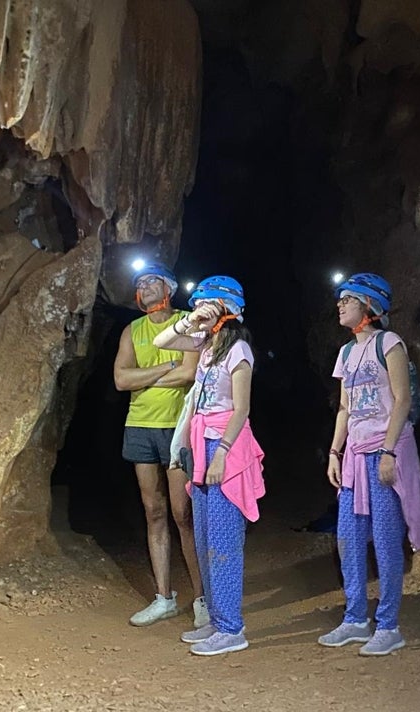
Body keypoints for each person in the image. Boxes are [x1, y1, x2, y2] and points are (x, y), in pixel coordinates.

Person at [319, 273, 420, 656]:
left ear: (369, 305)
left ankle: (388, 624)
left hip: (385, 449)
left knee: (385, 539)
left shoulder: (390, 343)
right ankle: (354, 619)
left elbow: (401, 400)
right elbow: (346, 408)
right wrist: (335, 452)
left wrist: (388, 452)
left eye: (348, 299)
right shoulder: (347, 353)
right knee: (348, 537)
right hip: (354, 454)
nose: (340, 304)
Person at [154, 276, 264, 656]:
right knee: (203, 540)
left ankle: (233, 628)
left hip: (224, 447)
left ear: (225, 308)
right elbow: (161, 342)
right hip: (200, 444)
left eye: (205, 303)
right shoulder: (206, 345)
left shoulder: (239, 351)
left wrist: (222, 453)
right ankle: (217, 621)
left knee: (222, 542)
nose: (197, 308)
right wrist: (191, 323)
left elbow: (242, 408)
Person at [113, 260, 206, 629]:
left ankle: (202, 598)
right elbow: (121, 380)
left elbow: (190, 371)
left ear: (168, 287)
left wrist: (143, 379)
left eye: (152, 280)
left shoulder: (188, 321)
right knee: (153, 511)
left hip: (176, 426)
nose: (145, 285)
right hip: (139, 425)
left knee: (182, 514)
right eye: (140, 282)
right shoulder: (131, 331)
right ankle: (164, 597)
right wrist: (165, 370)